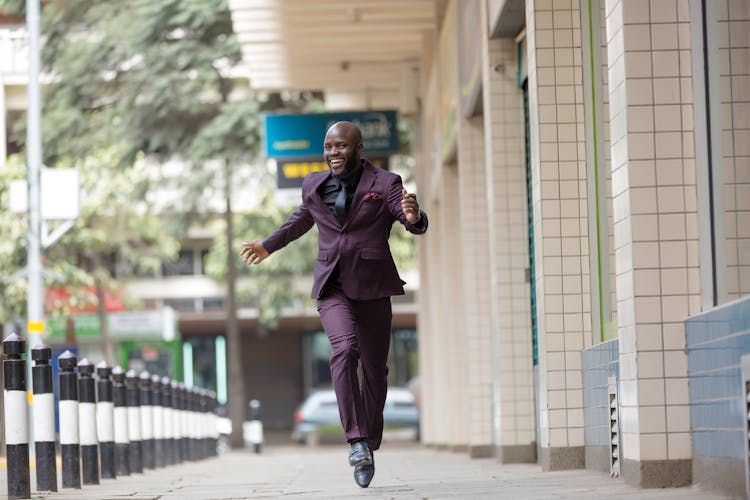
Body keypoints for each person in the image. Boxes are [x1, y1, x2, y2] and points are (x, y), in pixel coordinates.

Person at [241, 121, 428, 488]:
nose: (333, 153)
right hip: (332, 287)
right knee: (344, 351)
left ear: (359, 150)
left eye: (341, 146)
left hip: (373, 286)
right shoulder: (313, 184)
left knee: (375, 370)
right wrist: (268, 245)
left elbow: (406, 216)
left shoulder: (385, 183)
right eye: (328, 147)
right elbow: (301, 221)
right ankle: (356, 441)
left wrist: (413, 216)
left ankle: (370, 439)